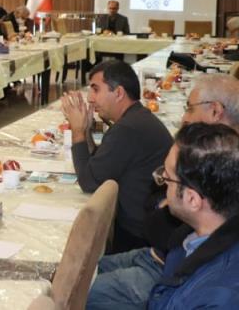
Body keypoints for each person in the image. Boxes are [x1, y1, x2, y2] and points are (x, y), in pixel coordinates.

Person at [86, 74, 239, 310]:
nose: (184, 117)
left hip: (164, 270)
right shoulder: (194, 240)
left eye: (167, 179)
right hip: (164, 259)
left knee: (71, 290)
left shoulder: (215, 293)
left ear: (193, 199)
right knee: (73, 270)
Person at [61, 59, 172, 253]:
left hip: (137, 238)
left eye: (96, 90)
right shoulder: (136, 118)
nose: (90, 99)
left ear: (119, 93)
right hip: (146, 226)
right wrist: (85, 130)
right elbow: (97, 165)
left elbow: (88, 182)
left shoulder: (128, 128)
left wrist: (77, 131)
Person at [147, 122, 239, 308]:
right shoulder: (194, 236)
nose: (163, 183)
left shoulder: (217, 298)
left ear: (192, 199)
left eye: (168, 178)